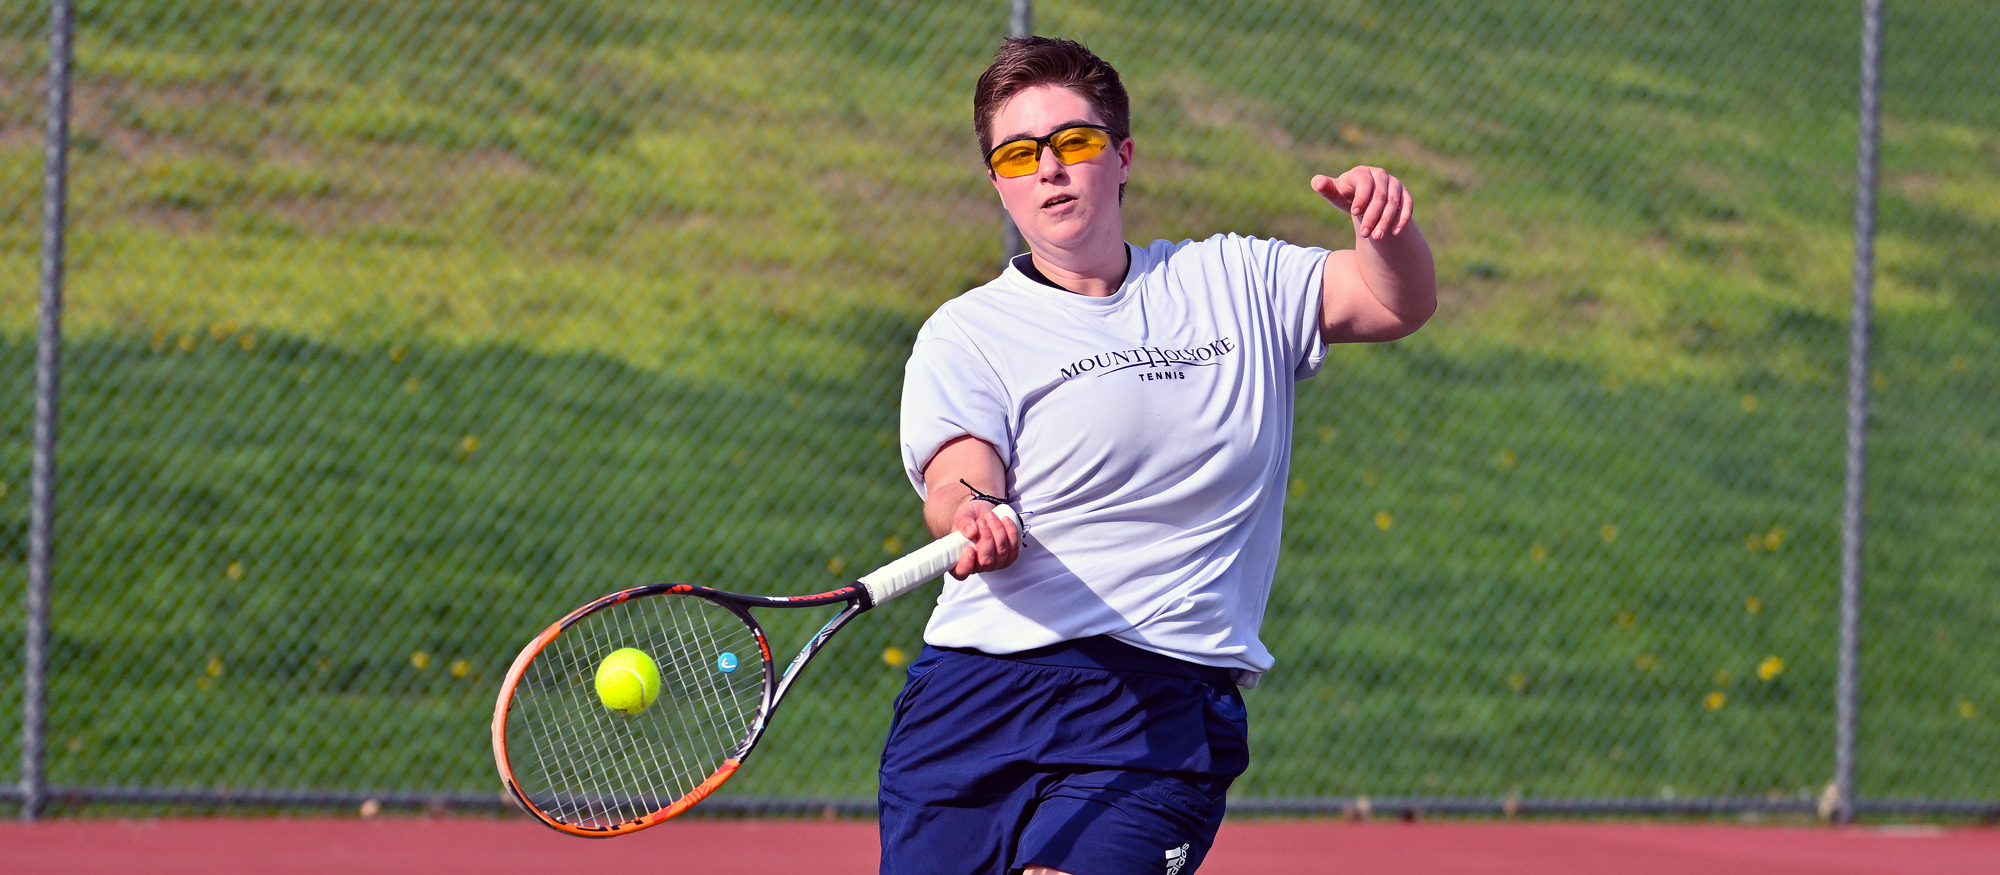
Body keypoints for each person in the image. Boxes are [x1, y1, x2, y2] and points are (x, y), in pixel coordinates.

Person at [882, 36, 1436, 875]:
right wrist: (973, 508)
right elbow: (959, 465)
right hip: (977, 700)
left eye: (1075, 142)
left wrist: (1386, 229)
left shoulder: (1237, 282)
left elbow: (1395, 301)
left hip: (1159, 702)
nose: (1050, 169)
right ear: (996, 180)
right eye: (1020, 154)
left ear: (1123, 155)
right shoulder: (967, 332)